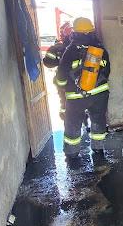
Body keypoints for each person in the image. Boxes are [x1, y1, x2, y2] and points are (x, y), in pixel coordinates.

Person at [56, 17, 110, 156]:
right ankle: (98, 149)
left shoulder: (70, 51)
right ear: (92, 31)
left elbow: (61, 75)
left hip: (76, 96)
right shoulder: (100, 49)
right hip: (100, 94)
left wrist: (62, 88)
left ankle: (72, 153)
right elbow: (107, 71)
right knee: (98, 120)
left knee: (73, 124)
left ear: (75, 32)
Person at [42, 21, 73, 119]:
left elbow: (47, 62)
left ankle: (65, 117)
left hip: (63, 81)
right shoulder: (82, 46)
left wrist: (59, 61)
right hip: (78, 81)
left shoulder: (57, 48)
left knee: (64, 101)